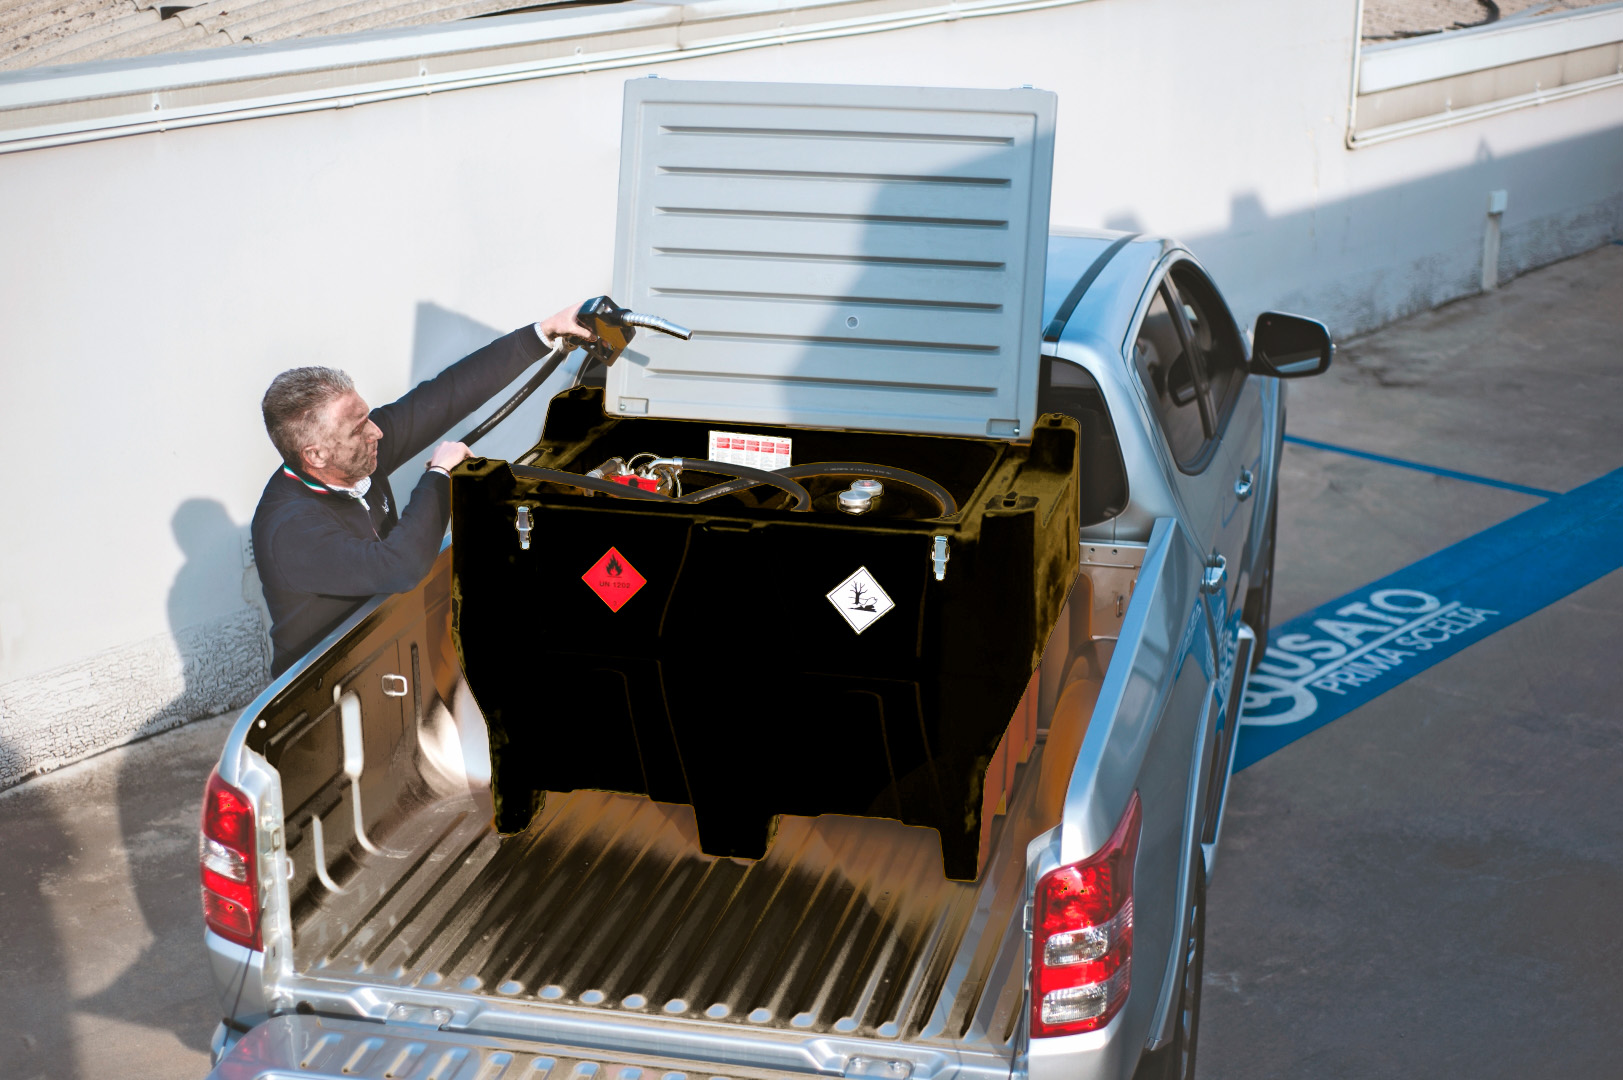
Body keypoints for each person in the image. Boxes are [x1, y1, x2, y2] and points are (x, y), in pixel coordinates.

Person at [252, 303, 595, 676]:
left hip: (385, 643)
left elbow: (445, 396)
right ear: (315, 455)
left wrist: (543, 332)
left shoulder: (354, 451)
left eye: (367, 417)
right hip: (321, 685)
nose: (377, 432)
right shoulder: (289, 529)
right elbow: (400, 566)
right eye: (358, 429)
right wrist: (438, 476)